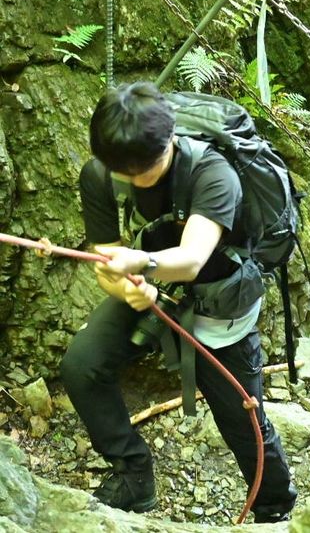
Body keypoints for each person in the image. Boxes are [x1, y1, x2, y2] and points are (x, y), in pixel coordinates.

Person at [59, 81, 297, 522]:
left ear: (169, 140)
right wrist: (124, 287)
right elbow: (107, 260)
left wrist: (140, 266)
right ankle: (133, 472)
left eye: (144, 169)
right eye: (123, 171)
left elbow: (190, 260)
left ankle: (274, 508)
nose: (134, 179)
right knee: (82, 365)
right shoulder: (102, 173)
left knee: (241, 418)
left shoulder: (213, 173)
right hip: (154, 290)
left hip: (218, 299)